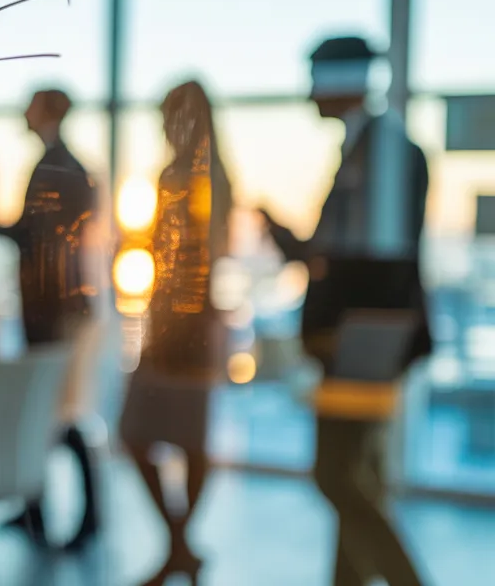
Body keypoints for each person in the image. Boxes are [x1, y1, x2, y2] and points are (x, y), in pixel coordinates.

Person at [262, 36, 430, 586]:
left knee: (335, 473)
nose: (309, 93)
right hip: (366, 332)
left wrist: (335, 327)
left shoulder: (380, 148)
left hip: (363, 337)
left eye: (316, 79)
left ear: (342, 80)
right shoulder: (370, 145)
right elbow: (338, 255)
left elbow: (373, 263)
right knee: (360, 473)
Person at [120, 81, 233, 583]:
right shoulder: (181, 176)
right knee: (142, 434)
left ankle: (179, 546)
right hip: (168, 320)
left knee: (187, 440)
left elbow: (201, 258)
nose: (165, 127)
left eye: (171, 117)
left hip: (189, 323)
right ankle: (180, 544)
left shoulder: (205, 179)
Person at [0, 89, 104, 551]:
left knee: (60, 413)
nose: (24, 112)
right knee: (47, 412)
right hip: (52, 307)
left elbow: (36, 235)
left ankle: (87, 514)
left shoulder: (60, 166)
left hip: (53, 310)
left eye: (31, 105)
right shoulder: (64, 165)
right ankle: (37, 510)